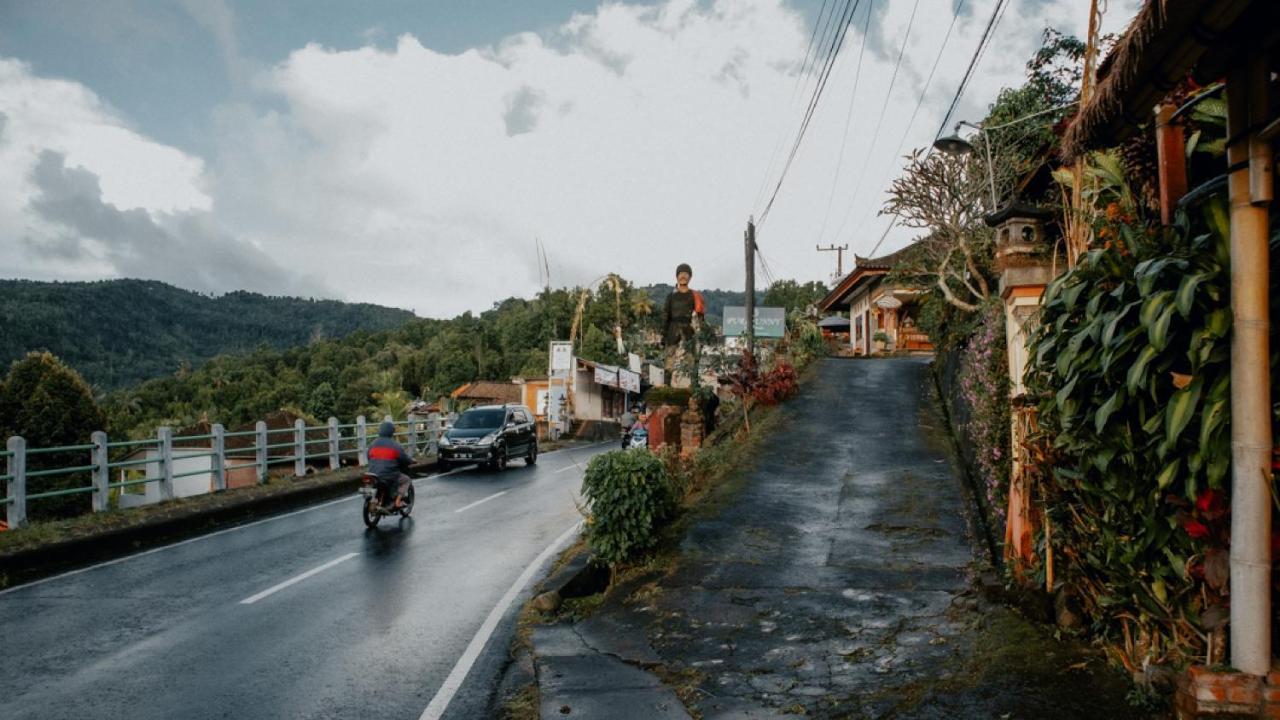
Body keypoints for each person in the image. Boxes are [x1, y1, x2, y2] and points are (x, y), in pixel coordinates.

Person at [662, 263, 706, 387]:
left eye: (686, 274)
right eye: (681, 274)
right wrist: (663, 334)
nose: (683, 277)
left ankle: (694, 384)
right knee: (670, 355)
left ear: (690, 277)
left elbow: (700, 315)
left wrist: (700, 331)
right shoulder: (671, 296)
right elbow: (665, 315)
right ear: (677, 276)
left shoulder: (694, 295)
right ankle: (666, 384)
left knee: (691, 356)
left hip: (688, 327)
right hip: (673, 327)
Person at [368, 420, 412, 508]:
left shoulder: (372, 444)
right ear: (391, 432)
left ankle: (377, 500)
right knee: (406, 480)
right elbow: (403, 459)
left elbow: (368, 457)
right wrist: (411, 461)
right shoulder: (395, 445)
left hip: (373, 473)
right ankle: (398, 501)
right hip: (389, 474)